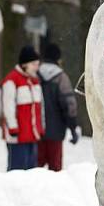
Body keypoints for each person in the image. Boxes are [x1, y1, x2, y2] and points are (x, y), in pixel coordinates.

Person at [37, 43, 79, 171]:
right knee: (55, 170)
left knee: (35, 170)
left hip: (37, 130)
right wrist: (72, 127)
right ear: (57, 59)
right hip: (56, 131)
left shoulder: (34, 74)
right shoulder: (61, 77)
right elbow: (69, 104)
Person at [1, 45, 44, 171]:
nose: (37, 67)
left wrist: (40, 127)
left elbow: (40, 108)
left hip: (32, 134)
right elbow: (8, 106)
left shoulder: (35, 81)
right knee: (17, 170)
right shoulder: (12, 80)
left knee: (31, 171)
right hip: (18, 136)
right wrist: (13, 128)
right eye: (34, 64)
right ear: (25, 64)